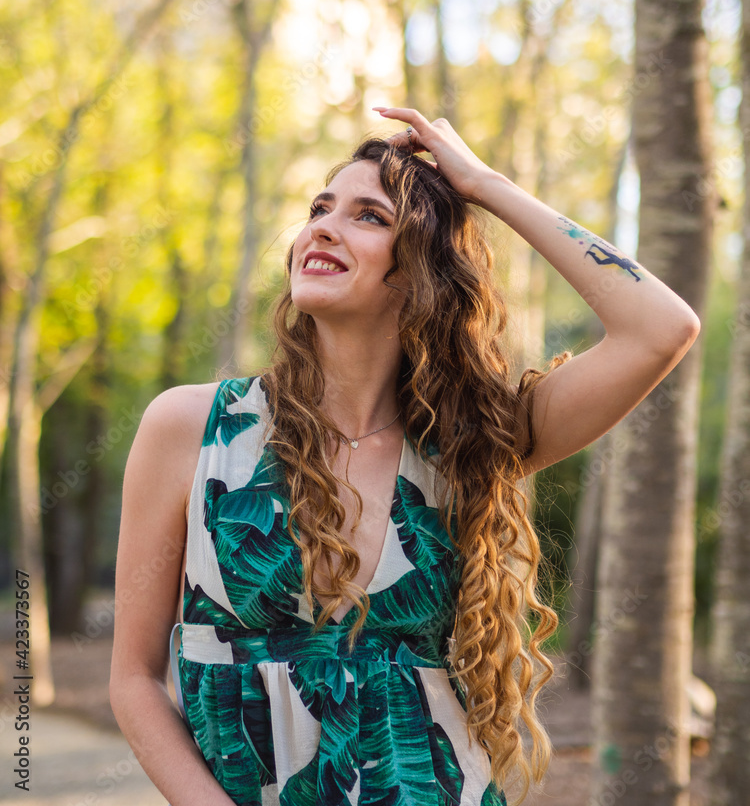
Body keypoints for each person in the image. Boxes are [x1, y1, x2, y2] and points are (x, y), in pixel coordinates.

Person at [109, 107, 700, 806]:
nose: (322, 226)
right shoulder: (194, 427)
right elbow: (134, 680)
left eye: (368, 216)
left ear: (421, 267)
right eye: (319, 208)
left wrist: (483, 184)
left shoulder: (471, 443)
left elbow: (661, 328)